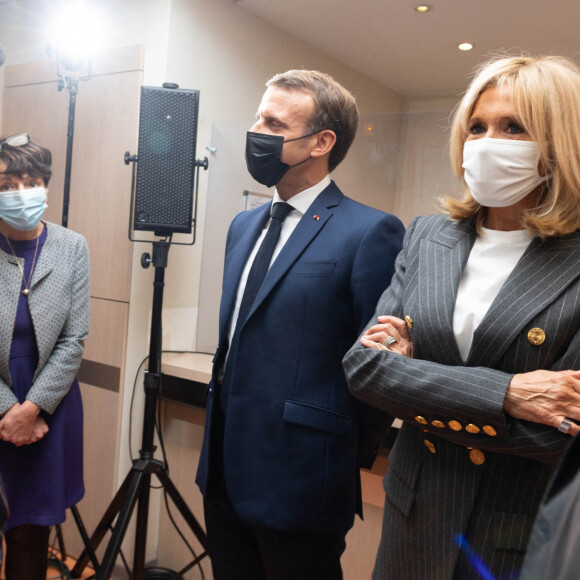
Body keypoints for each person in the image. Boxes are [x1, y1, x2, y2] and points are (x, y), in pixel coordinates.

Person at [343, 54, 580, 580]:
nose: (485, 142)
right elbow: (363, 369)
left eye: (512, 127)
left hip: (519, 533)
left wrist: (410, 378)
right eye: (476, 127)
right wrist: (508, 395)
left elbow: (562, 432)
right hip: (416, 518)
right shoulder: (429, 236)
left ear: (559, 143)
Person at [195, 70, 405, 579]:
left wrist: (334, 455)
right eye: (257, 116)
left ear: (321, 142)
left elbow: (375, 367)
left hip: (304, 480)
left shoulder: (369, 230)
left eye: (272, 121)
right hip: (223, 468)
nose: (256, 130)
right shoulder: (243, 225)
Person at [0, 134, 89, 579]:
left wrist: (32, 408)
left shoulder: (72, 247)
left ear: (46, 186)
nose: (19, 193)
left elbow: (74, 340)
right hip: (1, 399)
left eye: (30, 181)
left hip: (48, 407)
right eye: (6, 184)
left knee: (30, 532)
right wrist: (8, 411)